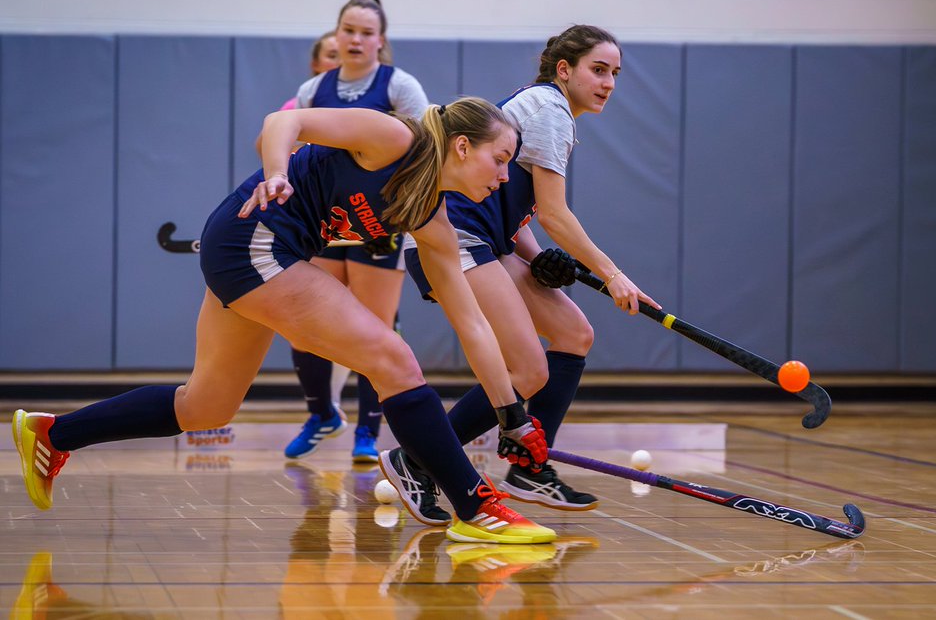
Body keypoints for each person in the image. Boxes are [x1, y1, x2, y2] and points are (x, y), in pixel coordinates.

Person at [12, 99, 556, 544]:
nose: (506, 176)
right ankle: (475, 505)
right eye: (501, 159)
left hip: (263, 254)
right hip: (256, 240)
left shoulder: (431, 219)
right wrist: (276, 173)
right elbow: (283, 121)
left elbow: (475, 327)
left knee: (205, 406)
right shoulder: (393, 138)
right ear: (462, 147)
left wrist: (512, 416)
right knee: (391, 358)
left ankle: (54, 433)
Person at [395, 25, 659, 521]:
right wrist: (613, 274)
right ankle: (419, 460)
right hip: (456, 240)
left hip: (489, 241)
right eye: (597, 70)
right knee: (528, 370)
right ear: (565, 70)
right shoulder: (551, 111)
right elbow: (556, 213)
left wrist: (535, 257)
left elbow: (513, 210)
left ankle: (528, 469)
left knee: (572, 333)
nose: (608, 83)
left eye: (615, 74)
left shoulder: (542, 109)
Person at [283, 0, 432, 465]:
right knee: (306, 325)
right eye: (348, 30)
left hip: (377, 226)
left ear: (380, 41)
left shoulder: (399, 86)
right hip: (325, 224)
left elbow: (424, 156)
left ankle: (367, 433)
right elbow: (295, 151)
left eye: (366, 33)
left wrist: (404, 220)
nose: (355, 39)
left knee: (374, 328)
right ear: (337, 32)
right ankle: (322, 413)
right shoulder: (314, 90)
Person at [279, 30, 340, 111]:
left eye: (346, 56)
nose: (341, 62)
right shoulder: (294, 107)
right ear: (315, 64)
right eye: (332, 56)